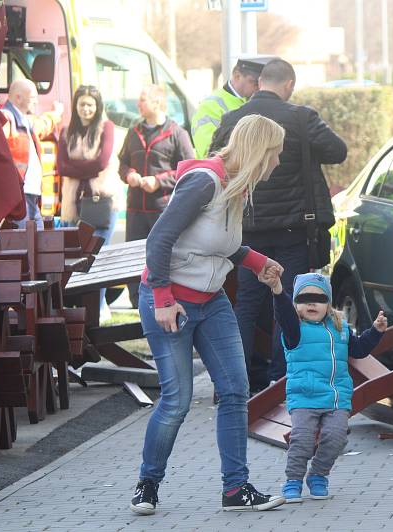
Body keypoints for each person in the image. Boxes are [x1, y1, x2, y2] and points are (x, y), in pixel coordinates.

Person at [130, 114, 287, 515]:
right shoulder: (205, 181)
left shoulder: (237, 188)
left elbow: (219, 244)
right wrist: (164, 299)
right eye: (276, 155)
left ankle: (236, 490)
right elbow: (159, 238)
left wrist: (257, 262)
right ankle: (148, 484)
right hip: (170, 302)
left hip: (211, 300)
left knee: (236, 390)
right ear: (259, 151)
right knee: (177, 399)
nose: (278, 164)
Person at [210, 58, 347, 386]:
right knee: (285, 300)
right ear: (289, 85)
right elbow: (338, 152)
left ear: (259, 83)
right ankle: (281, 380)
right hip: (294, 227)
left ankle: (236, 381)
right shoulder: (302, 118)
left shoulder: (232, 119)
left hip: (247, 228)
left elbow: (217, 158)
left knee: (247, 302)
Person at [258, 271, 387, 502]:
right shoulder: (293, 330)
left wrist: (376, 332)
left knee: (336, 437)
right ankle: (293, 480)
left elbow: (358, 350)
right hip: (304, 397)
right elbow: (284, 313)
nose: (311, 303)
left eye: (318, 298)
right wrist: (278, 290)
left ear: (328, 303)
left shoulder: (341, 328)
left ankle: (318, 474)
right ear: (296, 304)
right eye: (304, 298)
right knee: (302, 440)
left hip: (336, 397)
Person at [118, 84, 194, 307]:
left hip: (163, 209)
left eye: (142, 99)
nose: (138, 104)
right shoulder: (134, 131)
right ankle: (136, 303)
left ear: (158, 103)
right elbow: (122, 162)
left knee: (161, 257)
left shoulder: (177, 133)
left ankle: (163, 301)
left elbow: (188, 168)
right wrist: (129, 174)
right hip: (134, 209)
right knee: (133, 258)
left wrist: (158, 181)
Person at [55, 85, 119, 318]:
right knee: (76, 256)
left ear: (97, 106)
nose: (86, 108)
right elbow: (61, 166)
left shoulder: (107, 128)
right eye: (82, 104)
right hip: (74, 202)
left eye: (90, 104)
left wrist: (75, 169)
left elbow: (101, 162)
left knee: (99, 255)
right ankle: (77, 306)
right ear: (76, 106)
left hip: (100, 201)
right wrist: (83, 170)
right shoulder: (65, 131)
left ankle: (100, 305)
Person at [1, 79, 63, 228]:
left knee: (37, 240)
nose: (36, 102)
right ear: (18, 98)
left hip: (31, 195)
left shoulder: (24, 120)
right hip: (20, 195)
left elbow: (42, 124)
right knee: (24, 242)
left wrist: (56, 114)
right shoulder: (6, 118)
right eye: (33, 98)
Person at [190, 56, 272, 159]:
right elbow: (210, 151)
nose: (259, 88)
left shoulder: (256, 102)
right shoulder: (209, 106)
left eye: (261, 83)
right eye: (254, 82)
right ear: (237, 76)